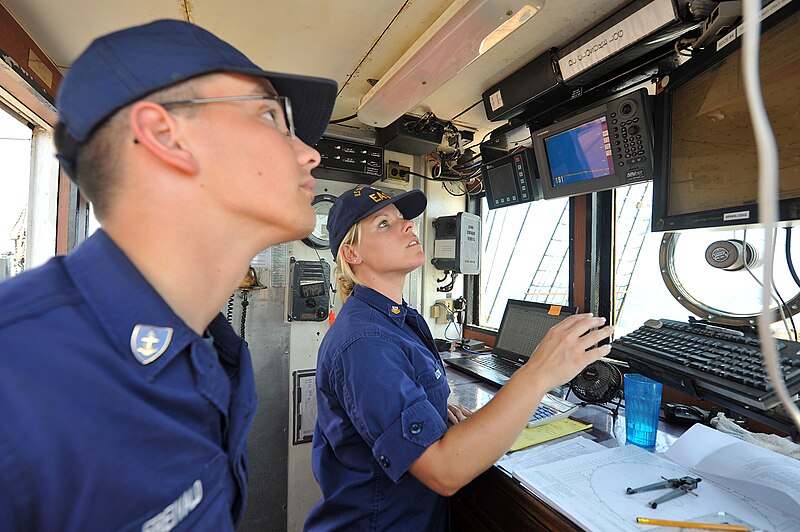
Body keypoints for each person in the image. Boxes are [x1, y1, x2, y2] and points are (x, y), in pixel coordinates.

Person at [0, 19, 336, 530]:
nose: (311, 153)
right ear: (164, 135)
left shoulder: (212, 350)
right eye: (270, 115)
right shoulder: (15, 383)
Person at [304, 186, 613, 531]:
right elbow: (444, 471)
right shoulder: (365, 342)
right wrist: (538, 373)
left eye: (403, 218)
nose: (408, 226)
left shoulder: (398, 319)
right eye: (383, 224)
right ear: (352, 253)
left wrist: (435, 413)